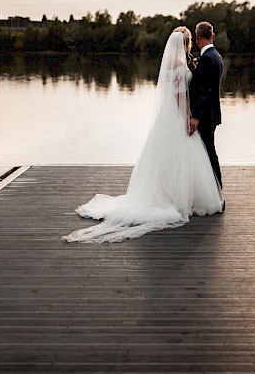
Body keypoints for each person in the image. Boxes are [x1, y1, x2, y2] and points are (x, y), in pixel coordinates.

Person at [63, 27, 224, 243]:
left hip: (170, 117)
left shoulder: (177, 63)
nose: (192, 45)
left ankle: (175, 195)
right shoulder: (179, 64)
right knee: (183, 155)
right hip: (178, 115)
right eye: (189, 42)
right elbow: (179, 96)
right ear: (186, 43)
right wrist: (188, 116)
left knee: (170, 157)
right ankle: (180, 198)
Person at [188, 21, 223, 189]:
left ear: (197, 38)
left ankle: (216, 189)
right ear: (213, 36)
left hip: (205, 115)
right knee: (209, 151)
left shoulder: (207, 59)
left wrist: (195, 117)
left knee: (208, 153)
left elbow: (204, 91)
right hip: (212, 113)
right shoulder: (216, 56)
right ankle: (212, 189)